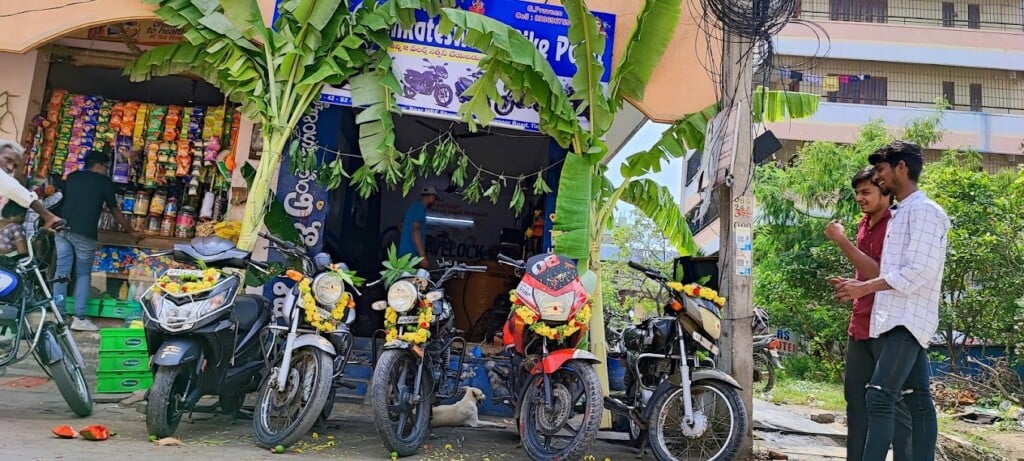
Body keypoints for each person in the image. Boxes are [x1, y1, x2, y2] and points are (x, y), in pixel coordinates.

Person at [833, 141, 949, 461]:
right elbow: (894, 269)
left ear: (902, 168)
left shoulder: (925, 211)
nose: (879, 177)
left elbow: (919, 271)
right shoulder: (901, 214)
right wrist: (864, 288)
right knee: (918, 400)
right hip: (891, 317)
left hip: (908, 318)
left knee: (880, 397)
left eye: (882, 170)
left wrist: (865, 287)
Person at [826, 167, 912, 461]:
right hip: (860, 322)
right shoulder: (865, 223)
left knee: (891, 403)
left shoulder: (896, 224)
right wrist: (851, 285)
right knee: (855, 401)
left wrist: (841, 241)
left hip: (887, 326)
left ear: (885, 193)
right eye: (857, 193)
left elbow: (880, 273)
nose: (860, 199)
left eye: (866, 192)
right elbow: (866, 270)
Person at [55, 150, 141, 332]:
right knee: (83, 274)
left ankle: (58, 316)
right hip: (84, 233)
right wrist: (131, 231)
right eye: (106, 167)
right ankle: (79, 317)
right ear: (100, 166)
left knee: (61, 274)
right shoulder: (103, 182)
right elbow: (115, 211)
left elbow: (59, 200)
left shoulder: (72, 177)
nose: (106, 171)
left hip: (62, 229)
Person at [0, 140, 63, 232]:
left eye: (14, 166)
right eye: (8, 160)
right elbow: (11, 186)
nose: (10, 168)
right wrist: (48, 216)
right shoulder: (6, 181)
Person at [398, 186, 438, 269]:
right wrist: (422, 257)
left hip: (405, 254)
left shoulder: (413, 207)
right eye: (434, 198)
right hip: (411, 256)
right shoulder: (420, 208)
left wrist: (406, 240)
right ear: (431, 196)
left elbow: (400, 226)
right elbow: (416, 231)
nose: (434, 201)